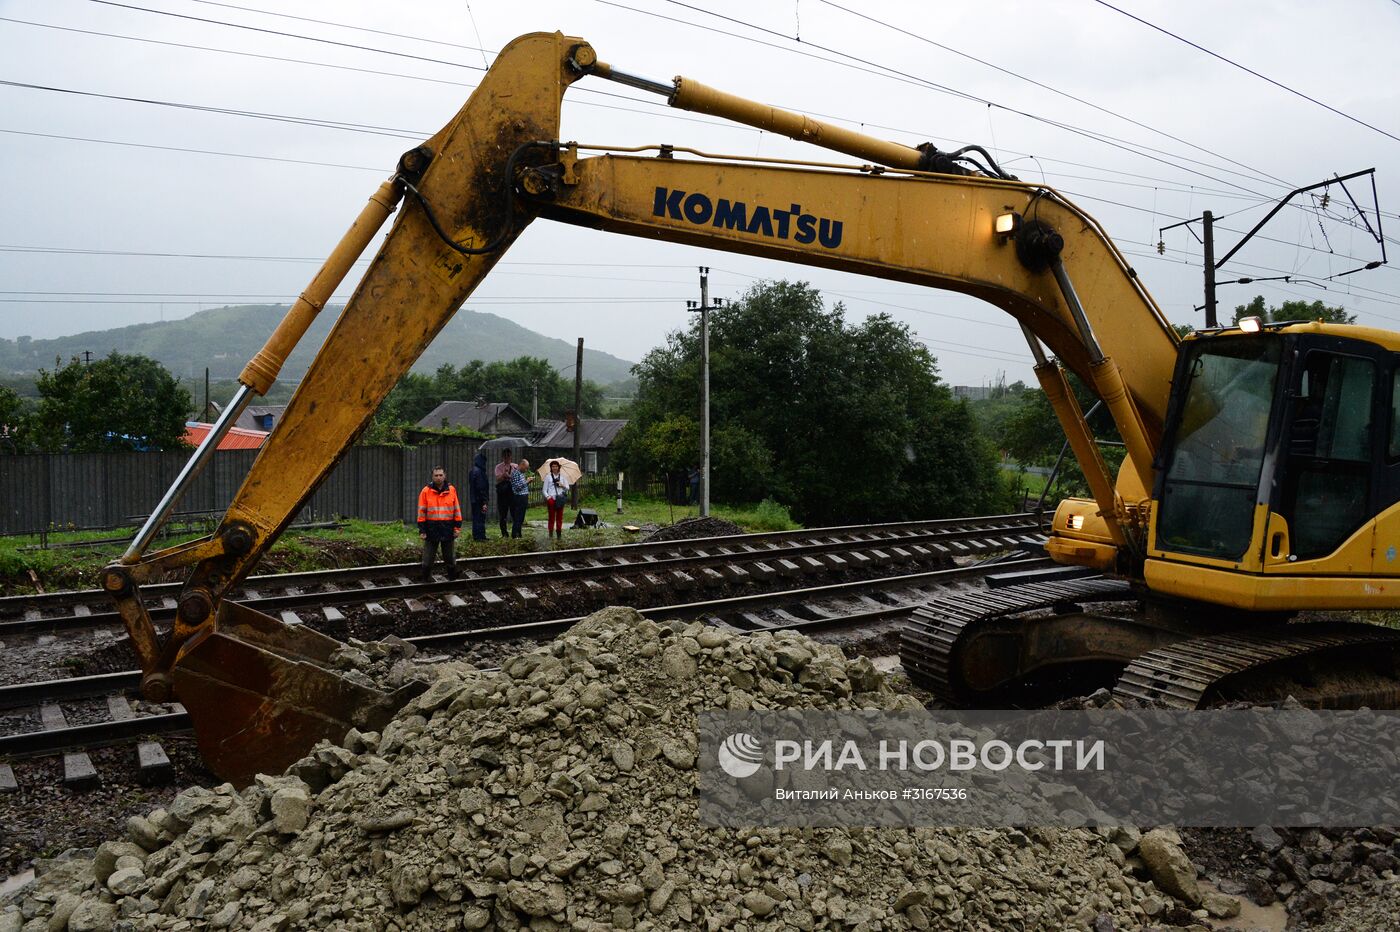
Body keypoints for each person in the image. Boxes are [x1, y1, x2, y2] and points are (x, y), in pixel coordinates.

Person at [416, 466, 461, 582]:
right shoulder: (426, 491)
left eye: (441, 475)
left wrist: (457, 528)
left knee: (450, 558)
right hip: (431, 529)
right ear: (432, 477)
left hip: (448, 528)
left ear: (444, 476)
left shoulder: (452, 490)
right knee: (427, 559)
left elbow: (456, 510)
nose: (439, 477)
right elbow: (421, 512)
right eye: (436, 475)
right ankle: (426, 580)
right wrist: (422, 530)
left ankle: (452, 580)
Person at [542, 459, 571, 541]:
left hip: (560, 499)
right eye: (553, 466)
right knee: (551, 517)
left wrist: (562, 485)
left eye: (556, 466)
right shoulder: (548, 477)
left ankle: (559, 534)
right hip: (552, 500)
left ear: (559, 467)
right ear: (551, 468)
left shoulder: (562, 477)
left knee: (559, 517)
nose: (554, 468)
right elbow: (544, 490)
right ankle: (550, 534)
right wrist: (548, 497)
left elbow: (567, 488)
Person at [467, 451, 489, 541]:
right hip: (479, 499)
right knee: (480, 518)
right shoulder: (480, 472)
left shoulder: (473, 471)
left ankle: (478, 536)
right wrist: (484, 501)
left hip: (474, 499)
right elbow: (481, 487)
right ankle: (480, 537)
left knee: (476, 518)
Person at [493, 449, 514, 538]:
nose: (507, 458)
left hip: (512, 493)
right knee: (503, 514)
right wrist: (503, 475)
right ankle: (504, 533)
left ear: (511, 456)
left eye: (508, 456)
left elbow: (517, 478)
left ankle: (515, 532)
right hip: (502, 494)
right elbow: (497, 479)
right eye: (505, 456)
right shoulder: (498, 467)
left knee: (514, 513)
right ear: (502, 457)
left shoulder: (515, 466)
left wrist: (510, 476)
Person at [509, 457, 532, 539]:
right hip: (519, 497)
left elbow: (522, 485)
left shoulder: (521, 473)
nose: (526, 469)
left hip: (524, 497)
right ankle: (514, 535)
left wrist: (527, 482)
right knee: (518, 517)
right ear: (521, 465)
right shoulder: (515, 473)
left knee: (521, 518)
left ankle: (519, 533)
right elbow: (517, 487)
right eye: (526, 467)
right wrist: (527, 482)